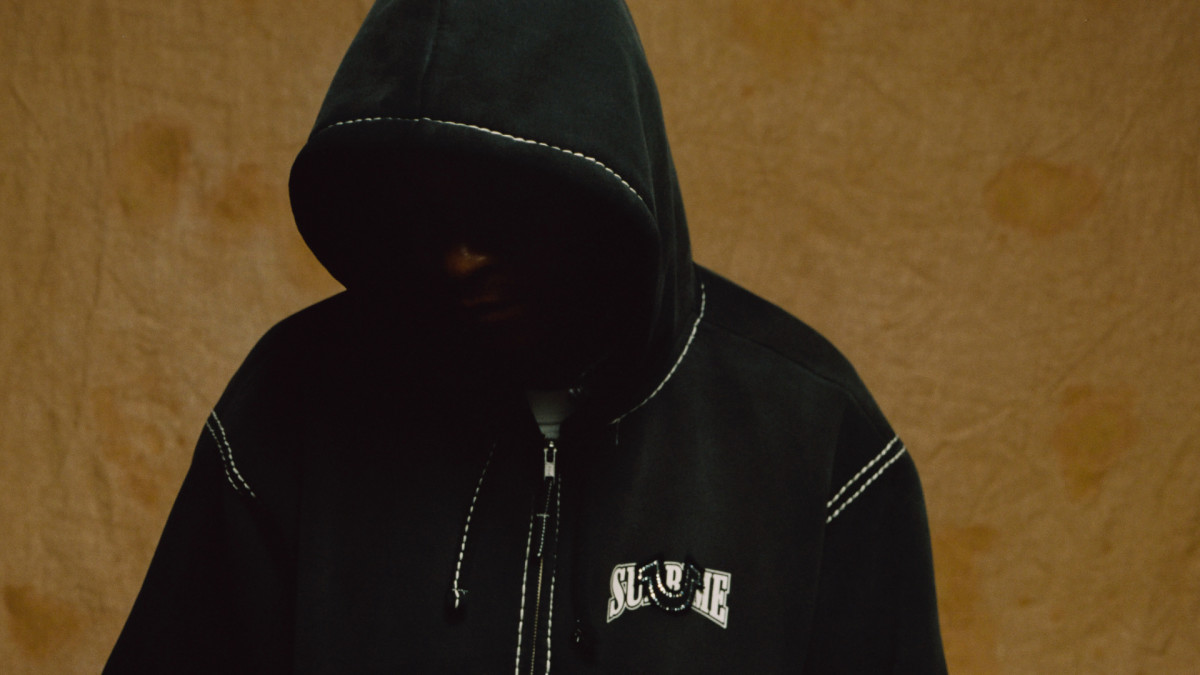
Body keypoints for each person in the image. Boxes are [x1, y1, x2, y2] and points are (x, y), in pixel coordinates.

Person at [105, 0, 947, 672]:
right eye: (429, 204)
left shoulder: (814, 439)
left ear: (601, 185)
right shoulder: (292, 404)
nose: (460, 257)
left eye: (503, 200)